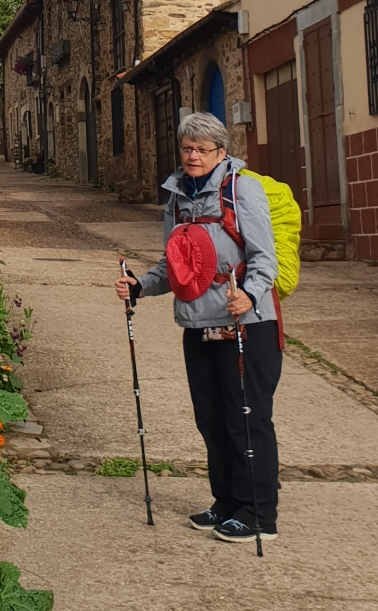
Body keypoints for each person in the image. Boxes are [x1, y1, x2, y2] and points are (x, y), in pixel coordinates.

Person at [114, 112, 281, 543]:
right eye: (186, 148)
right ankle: (226, 502)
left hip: (245, 324)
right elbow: (176, 264)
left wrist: (251, 293)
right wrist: (140, 287)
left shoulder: (243, 189)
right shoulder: (176, 197)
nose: (192, 156)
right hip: (197, 323)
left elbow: (265, 259)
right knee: (210, 417)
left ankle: (259, 512)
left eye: (201, 150)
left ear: (221, 153)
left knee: (246, 418)